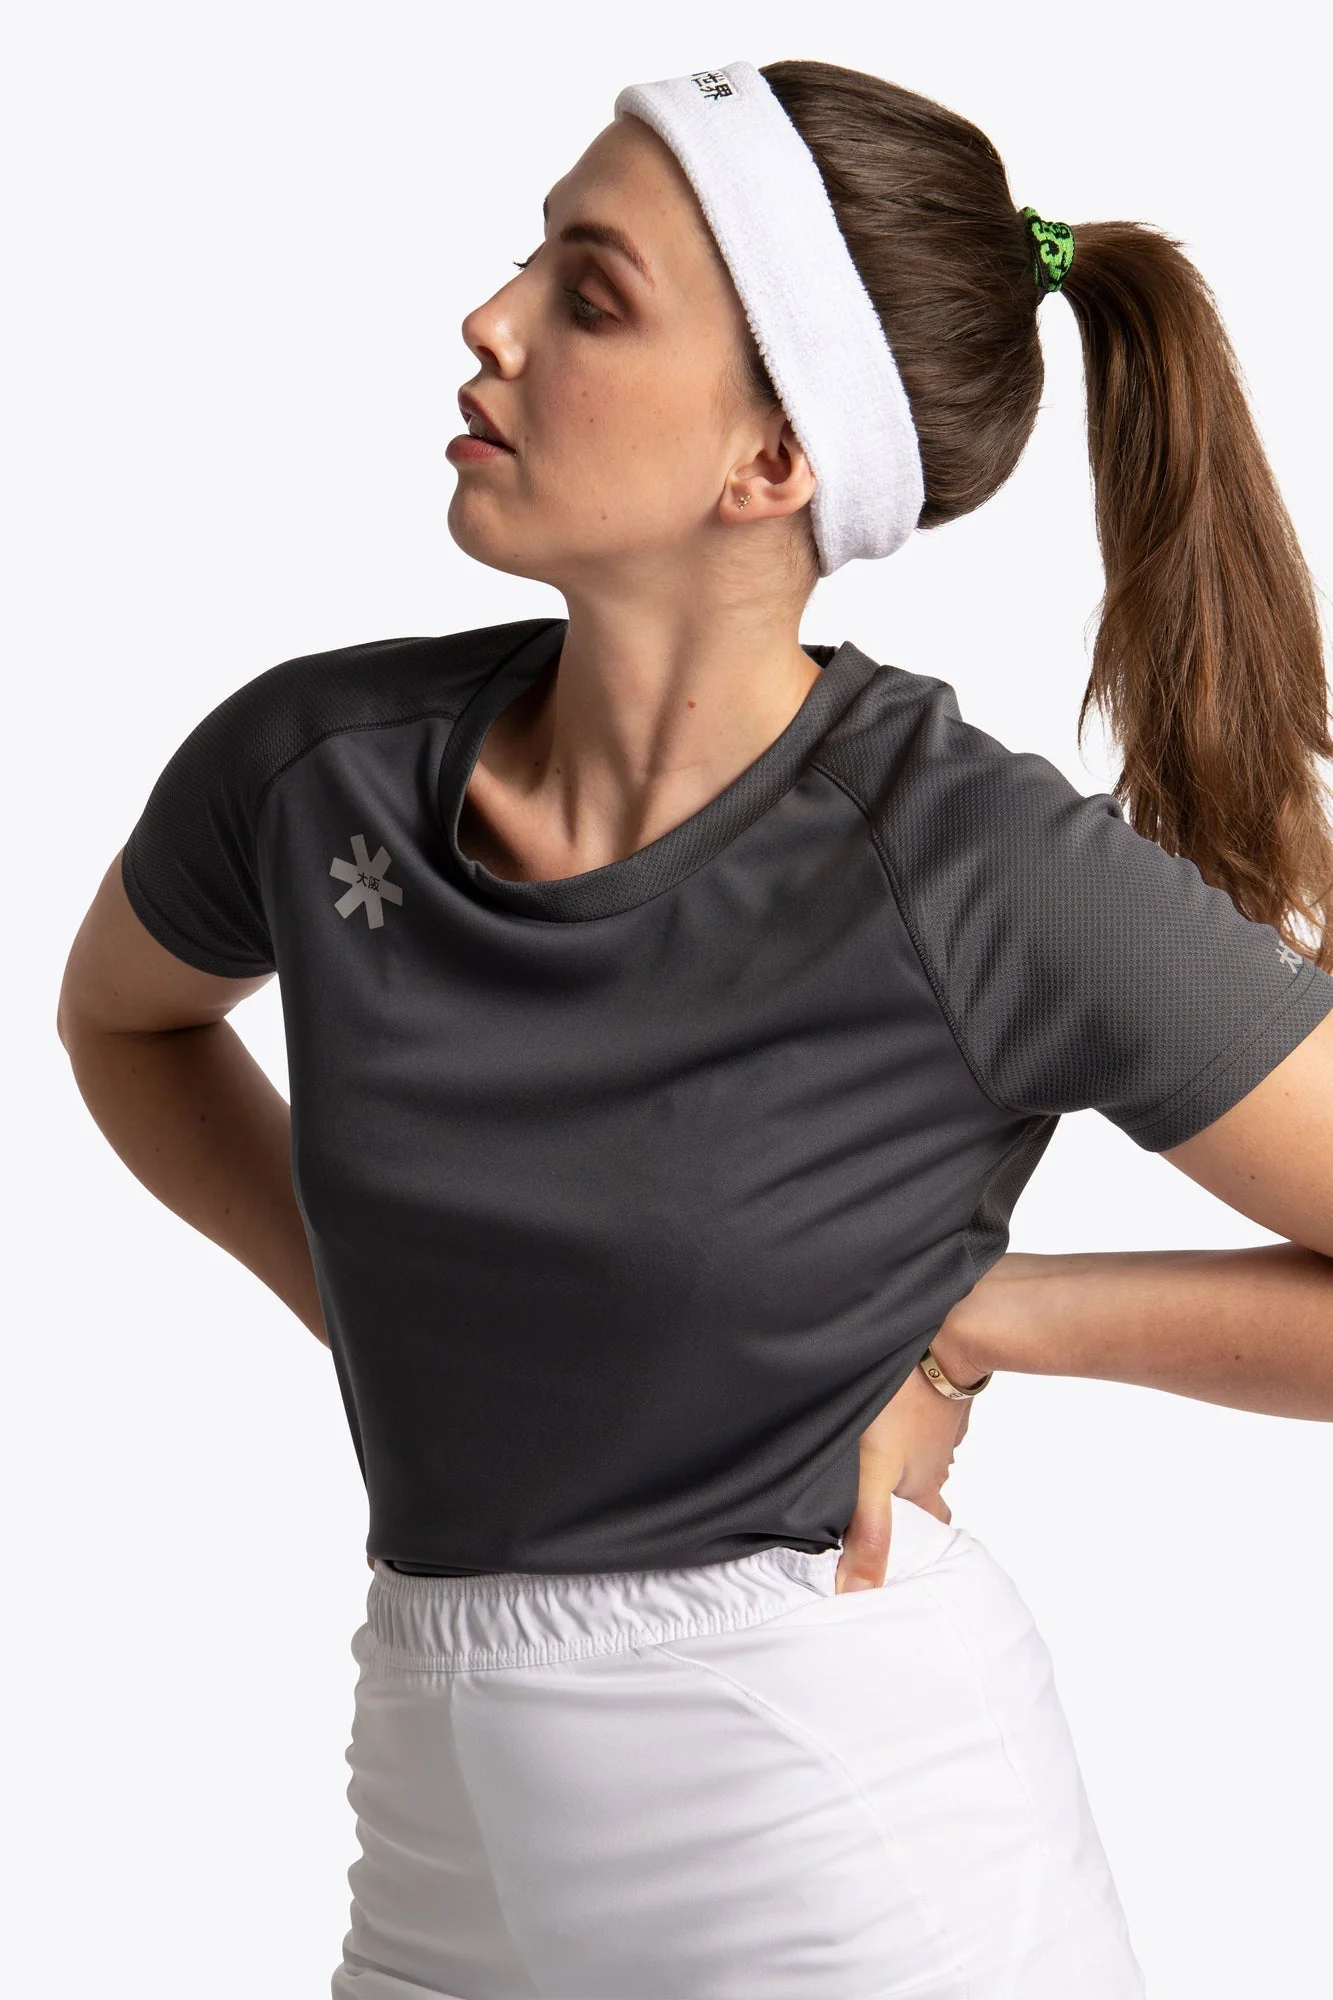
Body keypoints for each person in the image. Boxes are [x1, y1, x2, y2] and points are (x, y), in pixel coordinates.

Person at [56, 54, 1333, 2000]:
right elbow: (126, 1023)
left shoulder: (972, 868)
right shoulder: (314, 770)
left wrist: (995, 1320)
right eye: (533, 259)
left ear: (774, 461)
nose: (490, 320)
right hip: (436, 1831)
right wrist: (389, 1310)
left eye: (590, 293)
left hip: (836, 1850)